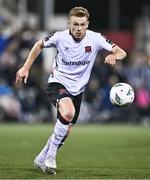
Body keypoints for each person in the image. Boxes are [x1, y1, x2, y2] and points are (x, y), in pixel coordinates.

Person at [15, 7, 126, 174]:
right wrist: (25, 67)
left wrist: (113, 56)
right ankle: (51, 157)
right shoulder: (60, 37)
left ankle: (40, 158)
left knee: (65, 131)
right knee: (68, 113)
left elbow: (121, 52)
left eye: (82, 24)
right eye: (75, 24)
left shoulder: (95, 38)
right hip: (57, 83)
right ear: (69, 24)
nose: (79, 28)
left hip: (78, 90)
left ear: (87, 24)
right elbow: (39, 45)